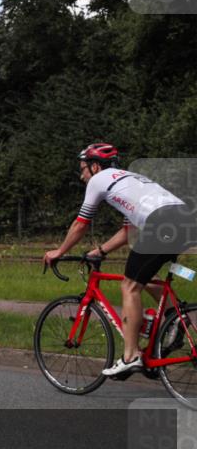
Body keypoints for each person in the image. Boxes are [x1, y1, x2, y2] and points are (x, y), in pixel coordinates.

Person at [43, 143, 194, 377]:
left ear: (95, 166)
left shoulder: (98, 180)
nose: (82, 175)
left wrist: (59, 251)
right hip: (185, 222)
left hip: (162, 223)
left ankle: (131, 356)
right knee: (143, 275)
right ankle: (174, 318)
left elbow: (80, 224)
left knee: (129, 286)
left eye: (83, 169)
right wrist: (101, 251)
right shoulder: (129, 180)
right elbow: (127, 232)